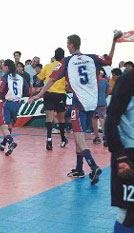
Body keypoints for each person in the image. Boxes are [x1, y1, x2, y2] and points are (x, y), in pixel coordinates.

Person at [29, 33, 120, 185]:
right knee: (81, 134)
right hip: (93, 102)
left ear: (71, 45)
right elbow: (109, 60)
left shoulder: (67, 61)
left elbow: (51, 79)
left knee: (79, 137)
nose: (67, 46)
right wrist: (114, 41)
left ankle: (93, 165)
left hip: (79, 103)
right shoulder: (92, 58)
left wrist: (39, 94)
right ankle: (79, 168)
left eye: (67, 43)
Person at [105, 70, 134, 232]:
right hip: (129, 153)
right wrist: (121, 157)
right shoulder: (127, 81)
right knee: (129, 212)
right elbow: (110, 121)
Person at [37, 48, 68, 150]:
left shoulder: (48, 66)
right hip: (60, 93)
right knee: (61, 118)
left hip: (48, 93)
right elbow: (68, 82)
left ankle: (49, 139)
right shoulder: (64, 67)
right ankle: (63, 139)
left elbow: (39, 78)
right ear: (63, 57)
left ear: (54, 56)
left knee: (49, 118)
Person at [0, 59, 24, 156]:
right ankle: (3, 144)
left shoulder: (5, 77)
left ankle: (10, 141)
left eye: (3, 66)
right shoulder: (20, 77)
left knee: (3, 125)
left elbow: (0, 89)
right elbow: (26, 90)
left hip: (7, 103)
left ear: (7, 68)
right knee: (10, 124)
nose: (2, 67)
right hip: (17, 103)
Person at [92, 68, 111, 146]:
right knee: (102, 118)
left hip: (93, 102)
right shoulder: (105, 81)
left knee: (94, 119)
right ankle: (105, 136)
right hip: (102, 101)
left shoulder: (93, 81)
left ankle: (97, 137)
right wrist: (105, 95)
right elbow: (109, 90)